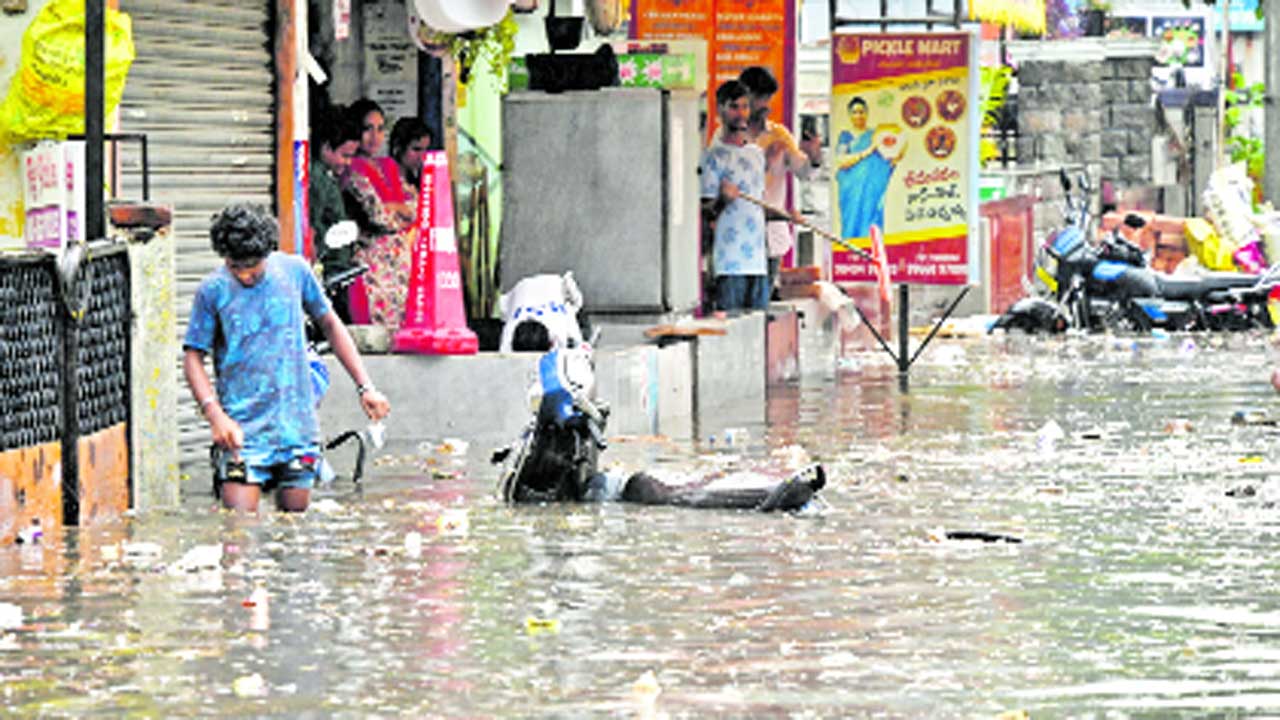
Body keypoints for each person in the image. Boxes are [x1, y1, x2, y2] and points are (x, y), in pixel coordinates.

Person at [183, 203, 391, 513]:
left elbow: (331, 324)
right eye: (237, 266)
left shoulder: (295, 272)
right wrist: (215, 416)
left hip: (297, 429)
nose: (246, 275)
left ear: (268, 253)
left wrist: (366, 387)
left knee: (294, 536)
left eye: (254, 266)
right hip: (242, 436)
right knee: (238, 538)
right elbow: (193, 356)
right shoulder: (212, 291)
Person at [738, 66, 823, 296]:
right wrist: (763, 161)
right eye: (760, 98)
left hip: (770, 237)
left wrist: (814, 156)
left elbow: (804, 173)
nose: (766, 105)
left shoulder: (779, 135)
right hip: (736, 237)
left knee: (762, 302)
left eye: (768, 99)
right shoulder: (728, 135)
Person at [342, 99, 414, 330]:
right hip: (372, 265)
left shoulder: (389, 166)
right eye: (367, 128)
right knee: (376, 334)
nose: (375, 136)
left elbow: (417, 209)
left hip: (400, 264)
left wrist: (395, 208)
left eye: (381, 128)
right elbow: (379, 217)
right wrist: (399, 209)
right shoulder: (351, 168)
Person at [700, 80, 768, 312]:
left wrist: (785, 216)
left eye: (745, 107)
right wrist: (722, 200)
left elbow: (758, 206)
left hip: (758, 262)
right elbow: (705, 212)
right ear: (720, 109)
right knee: (731, 332)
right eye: (734, 107)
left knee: (759, 333)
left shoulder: (757, 155)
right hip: (729, 263)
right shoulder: (713, 157)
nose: (741, 114)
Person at [309, 105, 362, 321]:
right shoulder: (317, 179)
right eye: (344, 155)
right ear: (326, 148)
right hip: (328, 269)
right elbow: (313, 225)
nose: (348, 163)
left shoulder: (326, 177)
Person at [835, 96, 904, 240]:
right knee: (851, 225)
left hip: (872, 192)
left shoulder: (876, 135)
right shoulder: (845, 136)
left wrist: (895, 157)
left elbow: (887, 161)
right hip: (851, 191)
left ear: (866, 113)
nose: (858, 115)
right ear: (849, 115)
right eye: (855, 112)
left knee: (872, 223)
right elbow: (841, 161)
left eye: (861, 112)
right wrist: (868, 151)